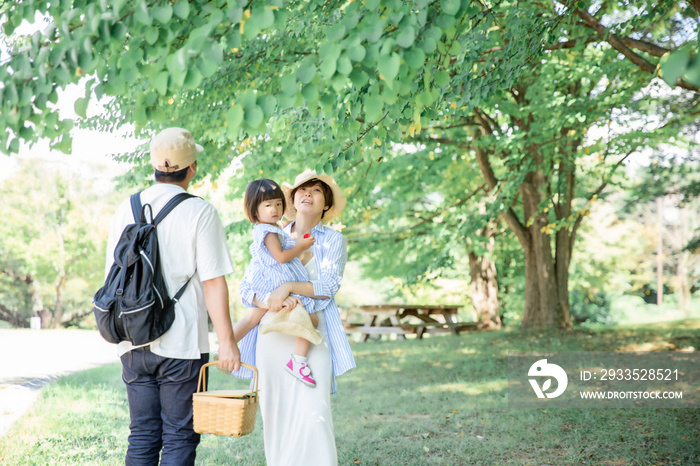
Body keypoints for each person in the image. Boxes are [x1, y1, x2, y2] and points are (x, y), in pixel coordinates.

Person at [104, 127, 241, 466]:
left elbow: (112, 273)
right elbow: (212, 283)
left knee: (143, 433)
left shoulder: (127, 208)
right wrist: (228, 341)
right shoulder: (200, 212)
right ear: (192, 166)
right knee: (180, 435)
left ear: (154, 165)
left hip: (133, 340)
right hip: (183, 343)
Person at [236, 169, 356, 465]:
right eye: (302, 189)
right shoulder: (270, 233)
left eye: (316, 191)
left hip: (310, 338)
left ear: (326, 204)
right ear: (292, 198)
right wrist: (273, 299)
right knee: (276, 413)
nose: (307, 194)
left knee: (314, 414)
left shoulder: (332, 241)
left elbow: (327, 287)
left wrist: (289, 286)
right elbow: (246, 287)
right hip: (272, 334)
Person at [233, 178, 323, 387]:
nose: (275, 209)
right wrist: (300, 246)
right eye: (267, 205)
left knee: (252, 316)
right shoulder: (269, 231)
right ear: (254, 209)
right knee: (311, 317)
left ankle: (227, 343)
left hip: (264, 280)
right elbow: (281, 257)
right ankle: (298, 361)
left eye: (278, 204)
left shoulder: (268, 228)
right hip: (274, 281)